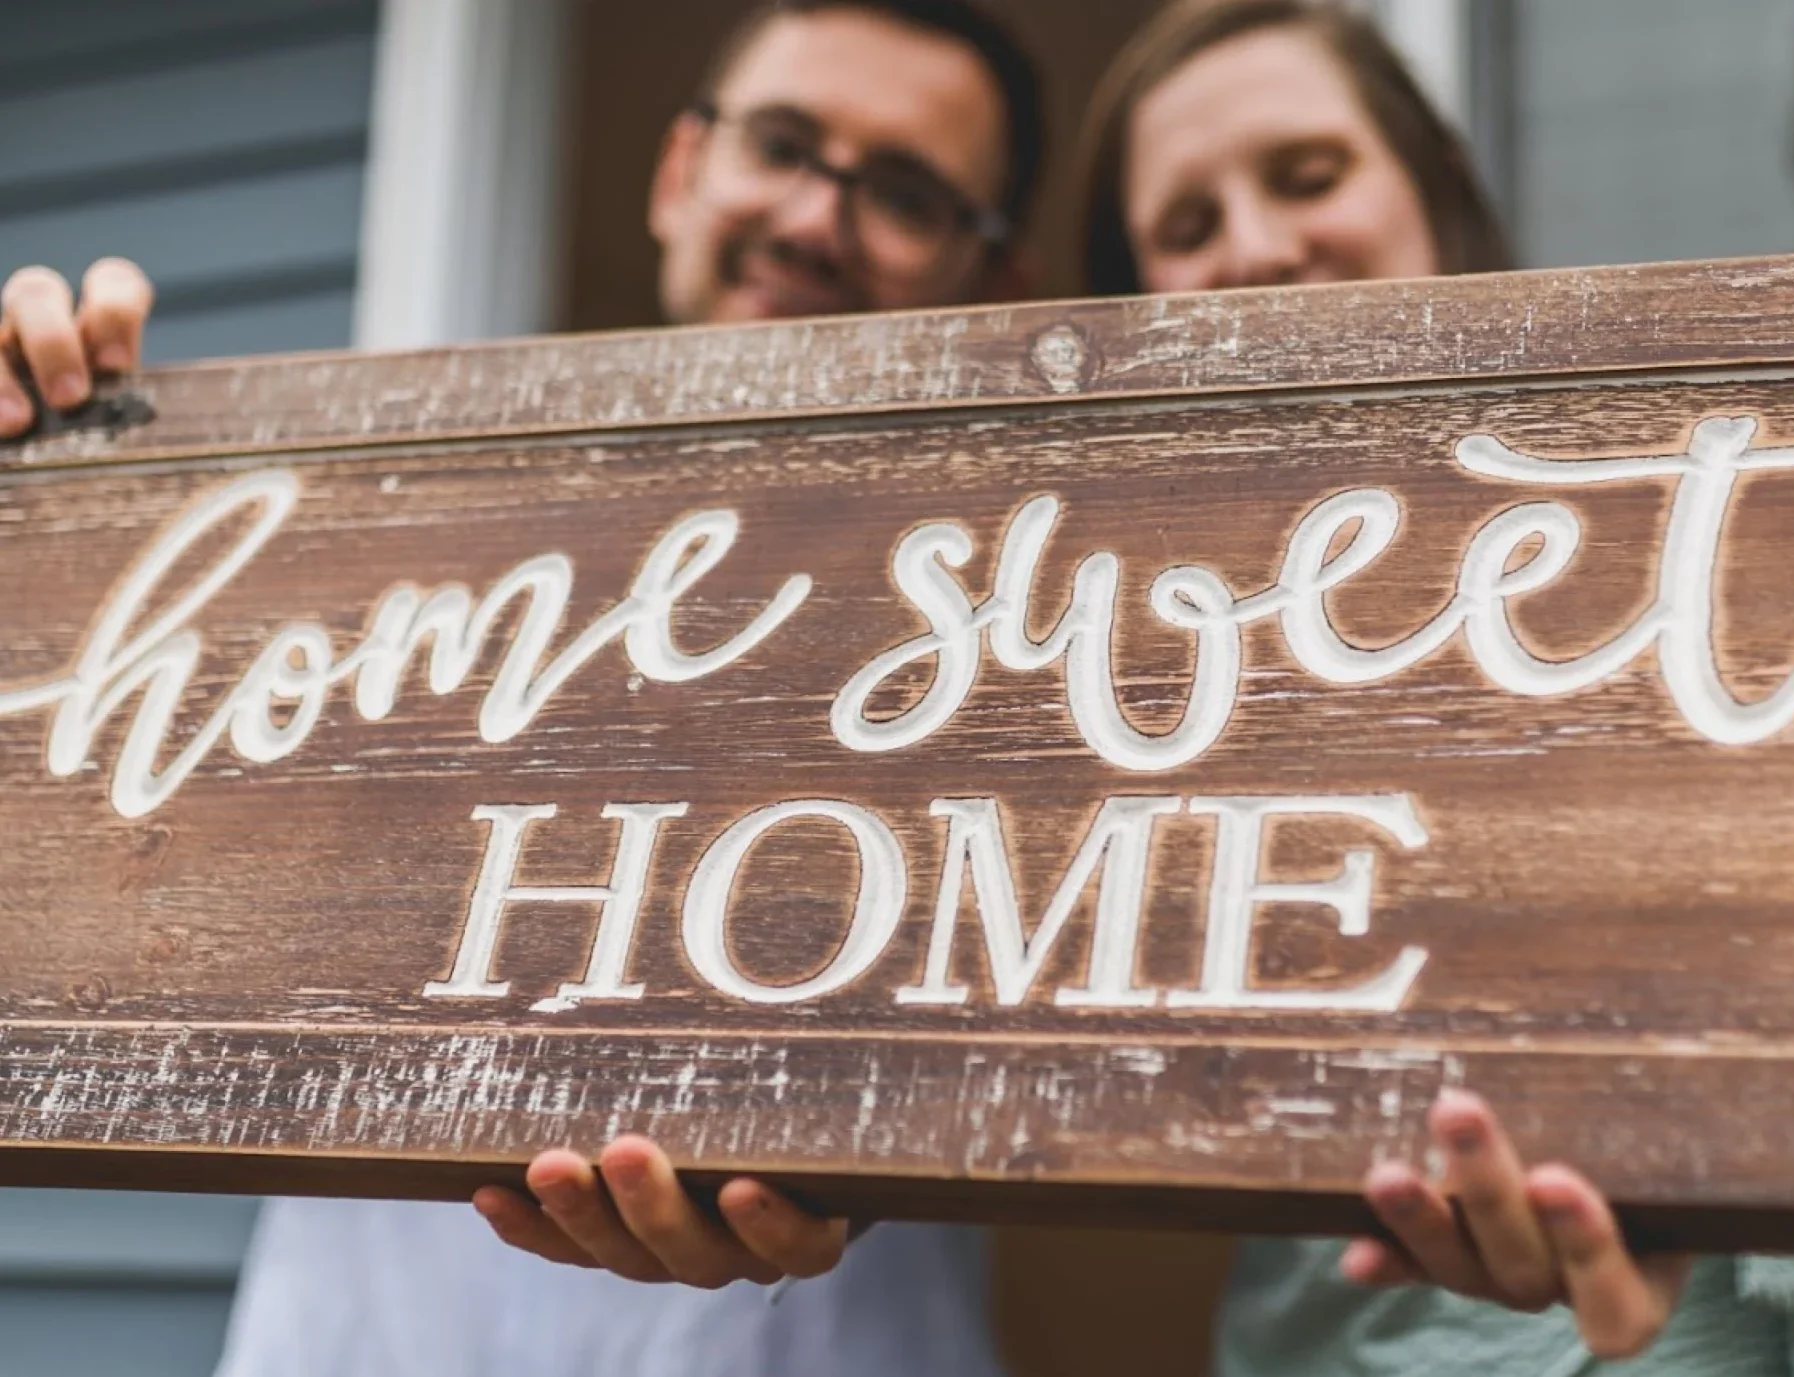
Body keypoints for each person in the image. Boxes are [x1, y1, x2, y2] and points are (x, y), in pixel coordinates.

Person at [0, 3, 1043, 1374]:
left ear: (991, 269)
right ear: (683, 171)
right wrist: (59, 478)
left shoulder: (1053, 610)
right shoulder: (382, 539)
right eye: (782, 144)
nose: (812, 216)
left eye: (903, 192)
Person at [1077, 3, 1794, 1375]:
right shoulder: (1092, 672)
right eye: (1186, 228)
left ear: (1430, 193)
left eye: (1308, 176)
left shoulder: (1713, 534)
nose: (1254, 247)